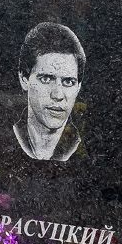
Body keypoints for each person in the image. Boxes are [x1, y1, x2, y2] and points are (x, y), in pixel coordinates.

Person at [12, 22, 85, 161]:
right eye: (46, 79)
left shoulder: (86, 149)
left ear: (78, 87)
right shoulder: (4, 141)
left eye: (68, 82)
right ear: (24, 79)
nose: (58, 95)